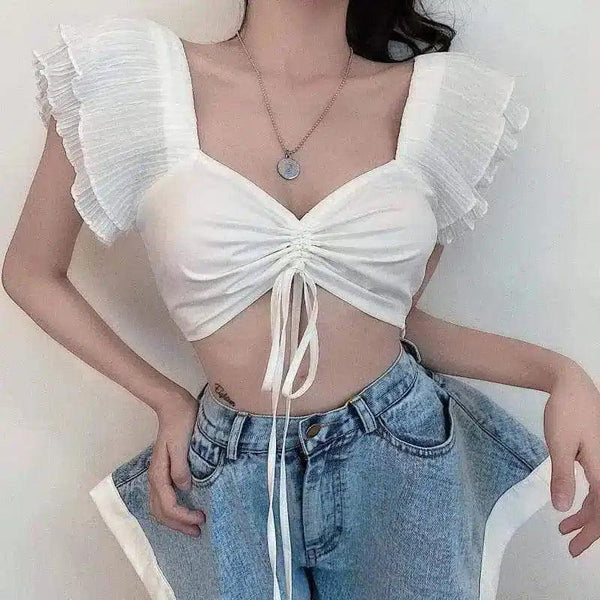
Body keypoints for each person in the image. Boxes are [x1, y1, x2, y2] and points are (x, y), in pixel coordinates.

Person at [3, 2, 599, 599]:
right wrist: (166, 399)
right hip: (233, 470)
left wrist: (560, 374)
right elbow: (31, 272)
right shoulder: (132, 80)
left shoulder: (439, 105)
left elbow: (393, 322)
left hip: (400, 454)